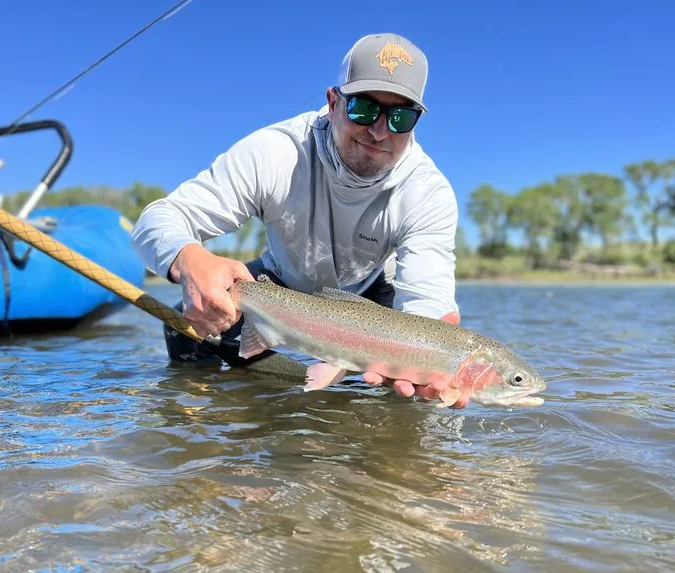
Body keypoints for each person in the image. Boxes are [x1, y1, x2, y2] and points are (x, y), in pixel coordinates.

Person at [131, 33, 467, 408]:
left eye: (401, 116)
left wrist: (430, 359)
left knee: (407, 391)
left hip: (372, 294)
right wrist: (190, 260)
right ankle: (209, 432)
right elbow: (156, 220)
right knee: (186, 326)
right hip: (279, 284)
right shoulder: (275, 153)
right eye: (363, 109)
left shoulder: (428, 192)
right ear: (333, 101)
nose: (379, 130)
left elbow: (426, 300)